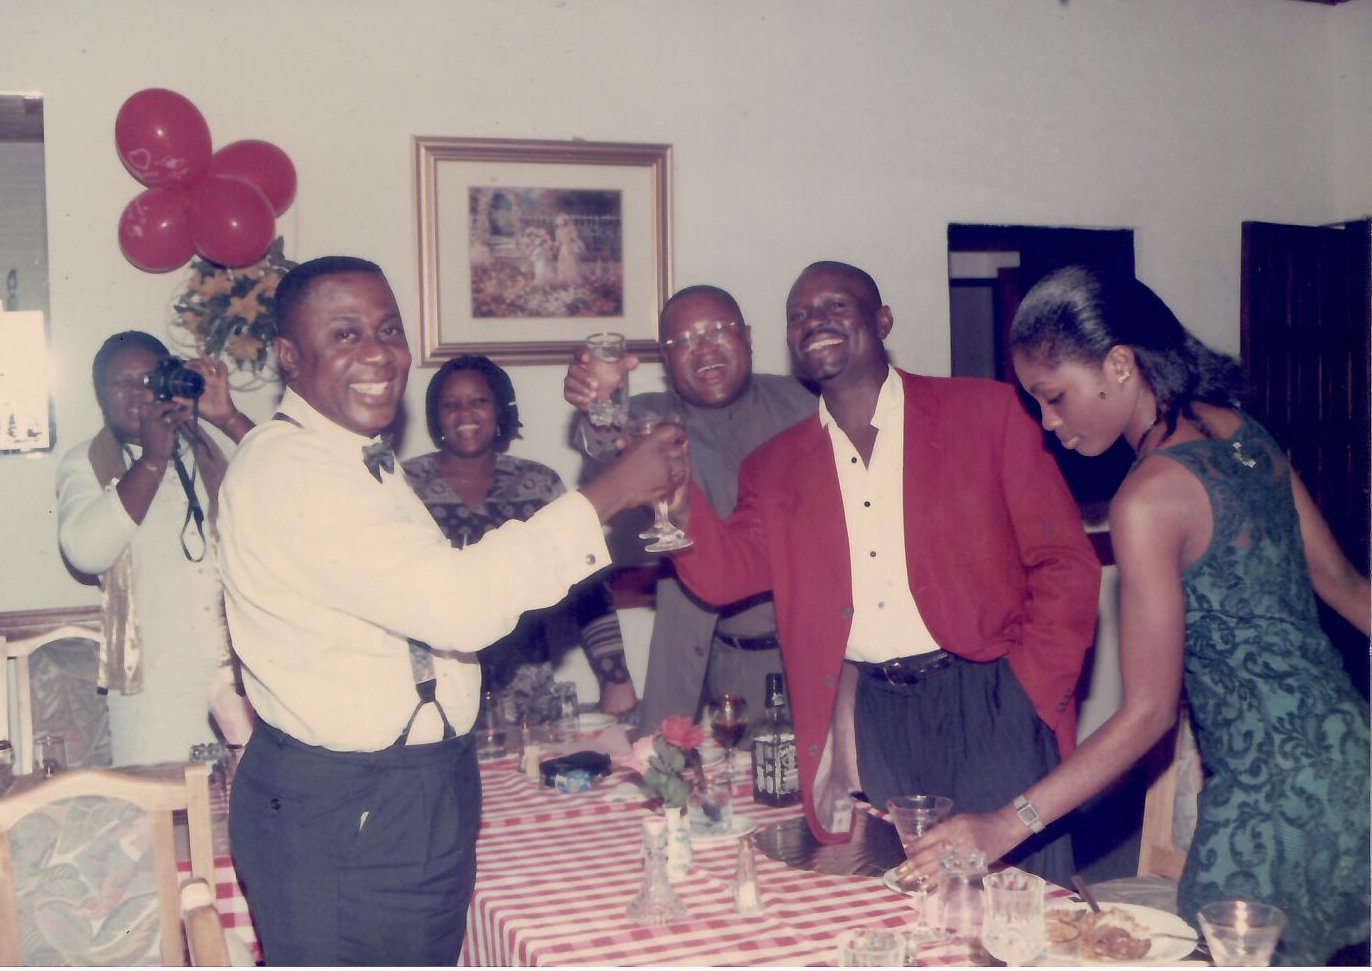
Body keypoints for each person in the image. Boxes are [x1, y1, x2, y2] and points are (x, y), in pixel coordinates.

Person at [217, 255, 684, 965]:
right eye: (345, 334)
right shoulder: (292, 470)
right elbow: (459, 605)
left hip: (413, 791)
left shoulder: (354, 459)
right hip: (351, 807)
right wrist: (608, 493)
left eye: (389, 329)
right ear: (288, 356)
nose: (379, 353)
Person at [904, 265, 1369, 965]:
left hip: (1271, 798)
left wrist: (1006, 823)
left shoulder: (1147, 498)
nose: (1048, 423)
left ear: (1119, 365)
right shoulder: (1244, 434)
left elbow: (1148, 713)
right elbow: (1344, 583)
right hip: (1351, 755)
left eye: (1054, 397)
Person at [668, 261, 1100, 887]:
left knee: (1021, 899)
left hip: (989, 698)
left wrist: (1029, 687)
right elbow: (723, 576)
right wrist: (675, 501)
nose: (814, 321)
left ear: (882, 320)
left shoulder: (985, 412)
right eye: (798, 315)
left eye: (834, 306)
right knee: (911, 903)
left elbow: (1064, 561)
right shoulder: (775, 466)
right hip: (875, 718)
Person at [563, 284, 817, 735]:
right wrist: (599, 404)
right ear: (665, 358)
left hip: (817, 656)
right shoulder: (654, 422)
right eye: (682, 340)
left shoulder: (806, 404)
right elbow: (606, 450)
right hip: (714, 661)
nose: (703, 349)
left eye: (718, 330)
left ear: (748, 338)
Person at [56, 331, 255, 765]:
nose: (138, 392)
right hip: (154, 688)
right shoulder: (85, 462)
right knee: (162, 804)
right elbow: (85, 553)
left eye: (149, 379)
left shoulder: (211, 445)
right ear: (100, 395)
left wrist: (229, 417)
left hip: (242, 672)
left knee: (250, 799)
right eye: (121, 382)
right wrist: (152, 459)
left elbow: (290, 483)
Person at [403, 354, 637, 718]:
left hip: (528, 696)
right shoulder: (405, 485)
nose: (465, 413)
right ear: (436, 416)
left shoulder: (539, 484)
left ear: (500, 409)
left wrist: (615, 676)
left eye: (479, 401)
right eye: (451, 405)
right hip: (433, 695)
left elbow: (588, 587)